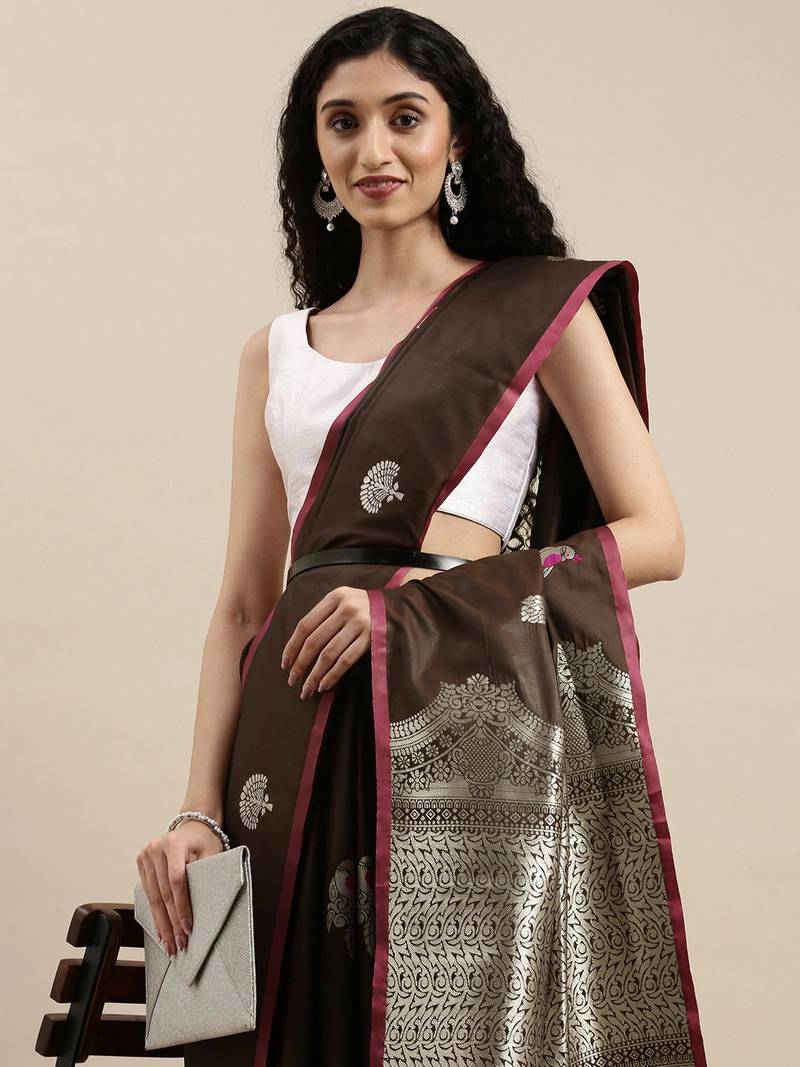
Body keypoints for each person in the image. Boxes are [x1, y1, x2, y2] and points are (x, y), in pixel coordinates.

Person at [136, 7, 708, 1066]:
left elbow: (657, 535)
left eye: (405, 117)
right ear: (314, 150)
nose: (374, 149)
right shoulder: (274, 352)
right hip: (292, 728)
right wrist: (199, 810)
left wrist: (412, 607)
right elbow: (245, 605)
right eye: (342, 122)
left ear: (456, 139)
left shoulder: (538, 314)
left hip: (459, 728)